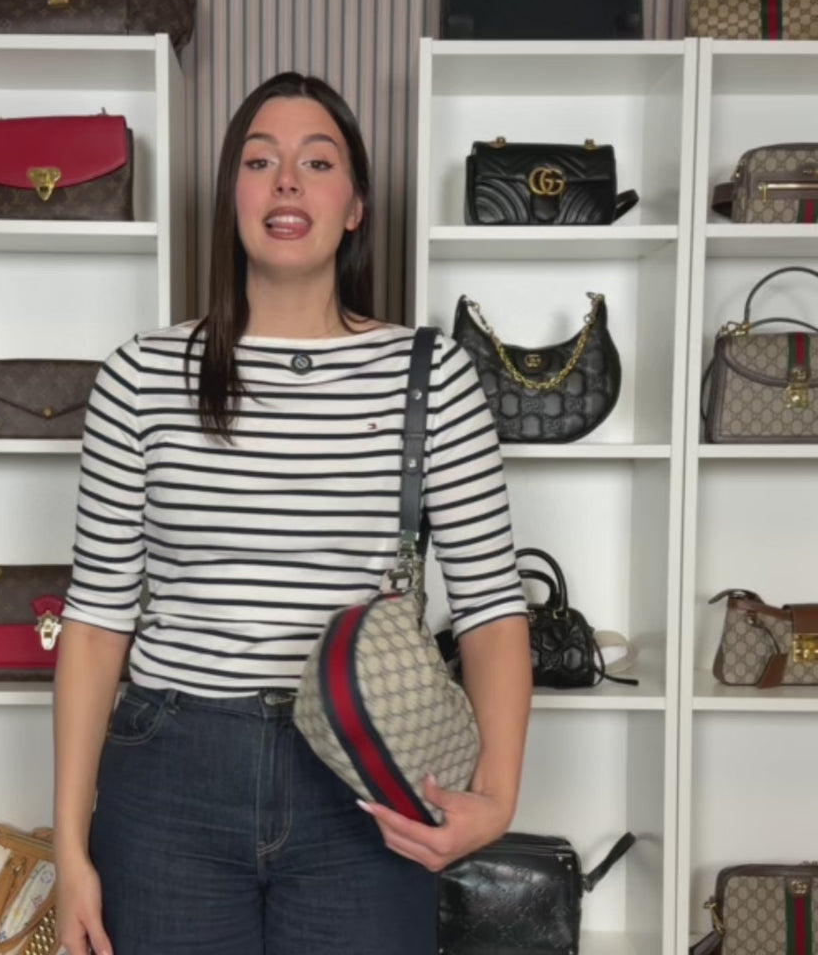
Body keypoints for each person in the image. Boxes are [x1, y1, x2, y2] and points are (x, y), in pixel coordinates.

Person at [53, 71, 532, 955]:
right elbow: (95, 620)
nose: (286, 182)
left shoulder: (432, 375)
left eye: (317, 162)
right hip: (171, 775)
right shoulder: (140, 376)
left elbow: (492, 608)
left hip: (364, 772)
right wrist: (68, 846)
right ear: (231, 196)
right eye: (259, 161)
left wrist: (497, 797)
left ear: (355, 207)